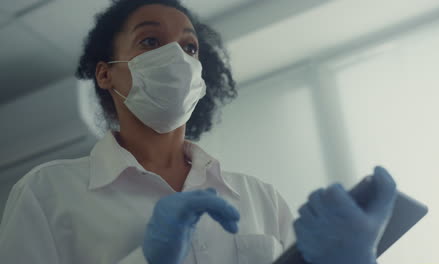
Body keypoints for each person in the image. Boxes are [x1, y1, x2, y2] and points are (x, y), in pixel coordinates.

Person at [0, 0, 398, 263]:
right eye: (150, 40)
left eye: (189, 48)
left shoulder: (260, 198)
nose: (176, 57)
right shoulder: (47, 193)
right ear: (106, 73)